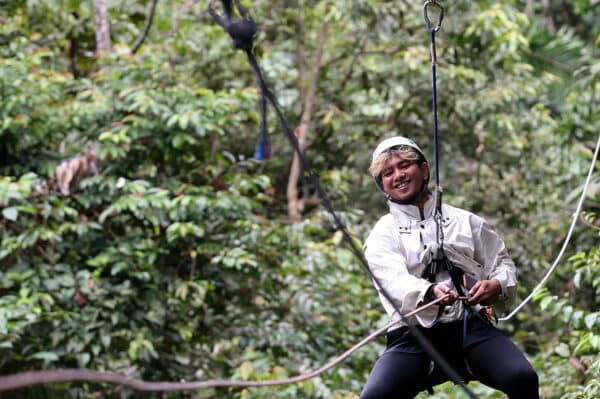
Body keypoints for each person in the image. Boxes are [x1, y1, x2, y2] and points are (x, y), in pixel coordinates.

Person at [360, 136, 539, 399]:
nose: (397, 175)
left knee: (522, 378)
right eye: (388, 172)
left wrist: (497, 285)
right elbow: (392, 281)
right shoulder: (382, 234)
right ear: (382, 185)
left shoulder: (466, 221)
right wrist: (430, 292)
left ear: (424, 169)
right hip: (413, 335)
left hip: (469, 327)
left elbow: (501, 263)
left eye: (404, 165)